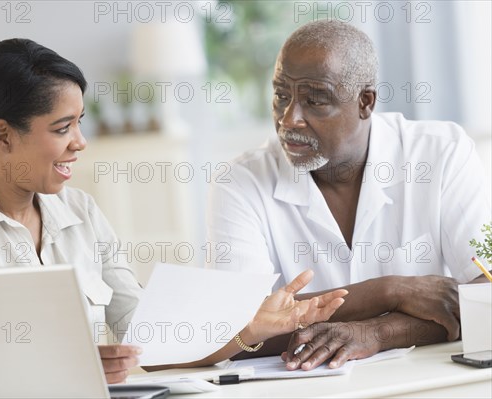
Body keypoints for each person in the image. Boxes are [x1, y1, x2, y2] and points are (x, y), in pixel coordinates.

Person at [0, 38, 347, 391]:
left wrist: (249, 329)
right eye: (62, 128)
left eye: (79, 122)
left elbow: (149, 341)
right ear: (3, 136)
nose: (80, 142)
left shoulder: (81, 212)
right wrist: (61, 372)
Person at [207, 19, 492, 371]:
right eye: (281, 95)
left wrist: (376, 332)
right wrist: (391, 291)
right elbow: (238, 326)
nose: (289, 119)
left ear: (365, 102)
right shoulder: (241, 181)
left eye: (314, 101)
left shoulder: (441, 153)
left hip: (428, 378)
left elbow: (486, 292)